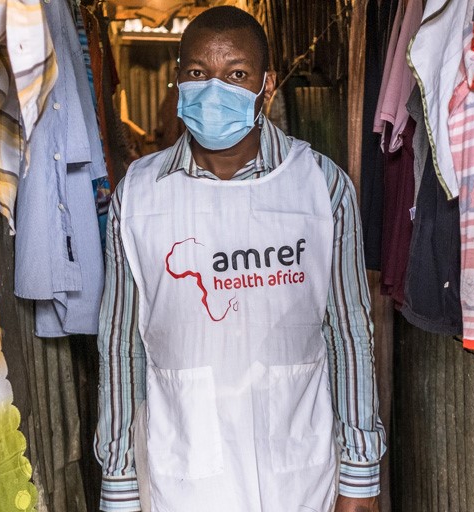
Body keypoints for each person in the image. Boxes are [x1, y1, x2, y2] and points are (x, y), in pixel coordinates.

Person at [94, 6, 386, 512]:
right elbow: (121, 345)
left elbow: (349, 334)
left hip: (300, 473)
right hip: (183, 474)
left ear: (266, 86)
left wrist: (360, 479)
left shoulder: (321, 186)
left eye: (236, 74)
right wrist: (119, 483)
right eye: (197, 73)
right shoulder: (138, 196)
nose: (214, 89)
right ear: (177, 83)